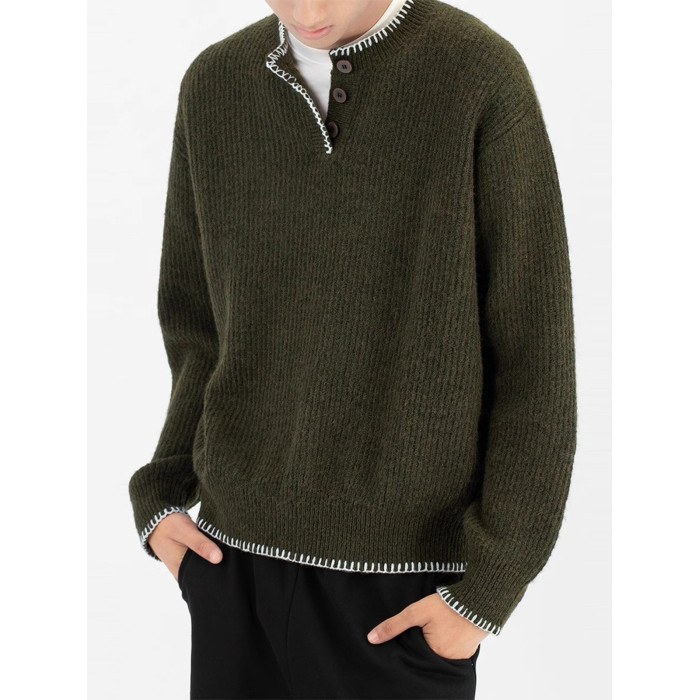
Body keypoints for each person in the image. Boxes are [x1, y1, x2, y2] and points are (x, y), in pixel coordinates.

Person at [127, 0, 578, 697]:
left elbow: (534, 354)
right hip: (231, 567)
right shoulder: (215, 84)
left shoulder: (475, 75)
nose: (307, 11)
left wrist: (489, 587)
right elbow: (196, 324)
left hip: (402, 594)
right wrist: (162, 491)